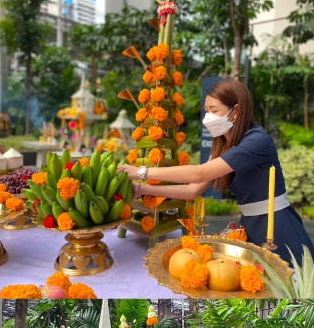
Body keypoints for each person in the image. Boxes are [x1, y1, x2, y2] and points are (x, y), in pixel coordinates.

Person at [117, 78, 314, 263]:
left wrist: (141, 172)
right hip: (251, 224)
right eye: (206, 111)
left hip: (277, 227)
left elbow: (199, 173)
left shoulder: (256, 141)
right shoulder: (224, 145)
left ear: (235, 111)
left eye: (214, 110)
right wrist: (143, 190)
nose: (207, 117)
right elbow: (192, 190)